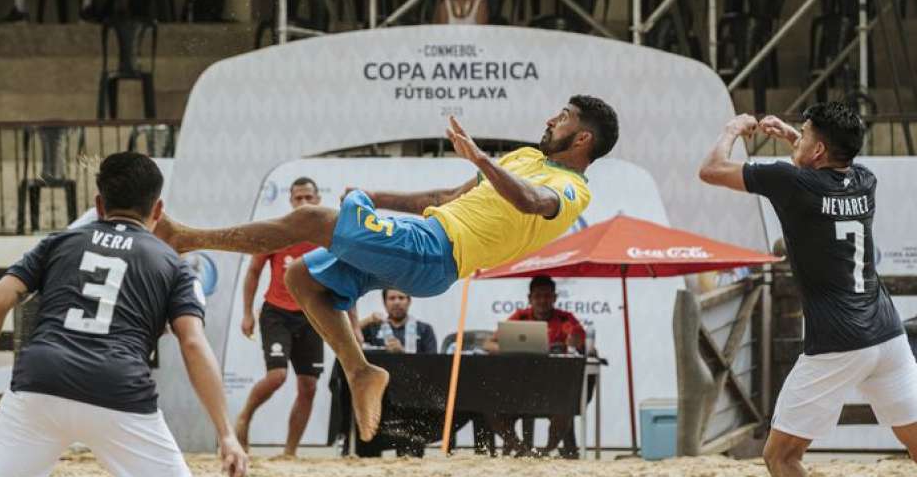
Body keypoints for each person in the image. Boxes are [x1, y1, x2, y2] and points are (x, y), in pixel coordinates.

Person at [155, 95, 619, 443]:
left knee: (310, 220)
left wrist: (480, 157)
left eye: (562, 119)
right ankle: (361, 372)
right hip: (423, 238)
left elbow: (531, 200)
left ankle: (187, 238)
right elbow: (444, 199)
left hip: (439, 254)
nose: (549, 120)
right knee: (301, 277)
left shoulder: (572, 188)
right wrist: (380, 198)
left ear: (583, 139)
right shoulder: (525, 158)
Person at [0, 152, 247, 477]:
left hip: (41, 382)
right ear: (158, 209)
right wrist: (225, 433)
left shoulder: (58, 243)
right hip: (118, 389)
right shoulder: (175, 266)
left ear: (99, 204)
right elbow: (193, 343)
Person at [698, 103, 917, 477]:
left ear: (817, 150)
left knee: (781, 456)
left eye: (806, 131)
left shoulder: (790, 181)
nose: (800, 134)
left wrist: (732, 129)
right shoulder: (865, 181)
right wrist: (793, 138)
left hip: (838, 342)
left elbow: (710, 170)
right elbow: (826, 165)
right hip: (888, 336)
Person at [235, 176, 325, 457]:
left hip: (312, 315)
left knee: (309, 386)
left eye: (309, 197)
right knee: (276, 377)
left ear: (318, 200)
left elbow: (342, 279)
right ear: (290, 201)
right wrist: (247, 313)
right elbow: (252, 272)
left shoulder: (327, 236)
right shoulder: (277, 232)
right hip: (276, 313)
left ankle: (290, 452)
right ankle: (244, 417)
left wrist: (354, 324)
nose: (304, 203)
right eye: (298, 198)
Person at [484, 275, 585, 456]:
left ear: (554, 298)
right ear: (530, 298)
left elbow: (578, 341)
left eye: (547, 296)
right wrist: (509, 349)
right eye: (538, 296)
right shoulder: (520, 316)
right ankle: (521, 448)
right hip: (518, 388)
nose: (542, 300)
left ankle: (545, 450)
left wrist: (574, 339)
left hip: (553, 389)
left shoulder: (565, 319)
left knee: (566, 409)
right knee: (490, 409)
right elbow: (488, 344)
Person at [360, 288, 438, 354]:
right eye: (392, 298)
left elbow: (433, 363)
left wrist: (402, 352)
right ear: (384, 303)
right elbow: (349, 336)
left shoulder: (425, 330)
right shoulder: (374, 327)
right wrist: (368, 319)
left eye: (401, 298)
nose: (397, 302)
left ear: (409, 301)